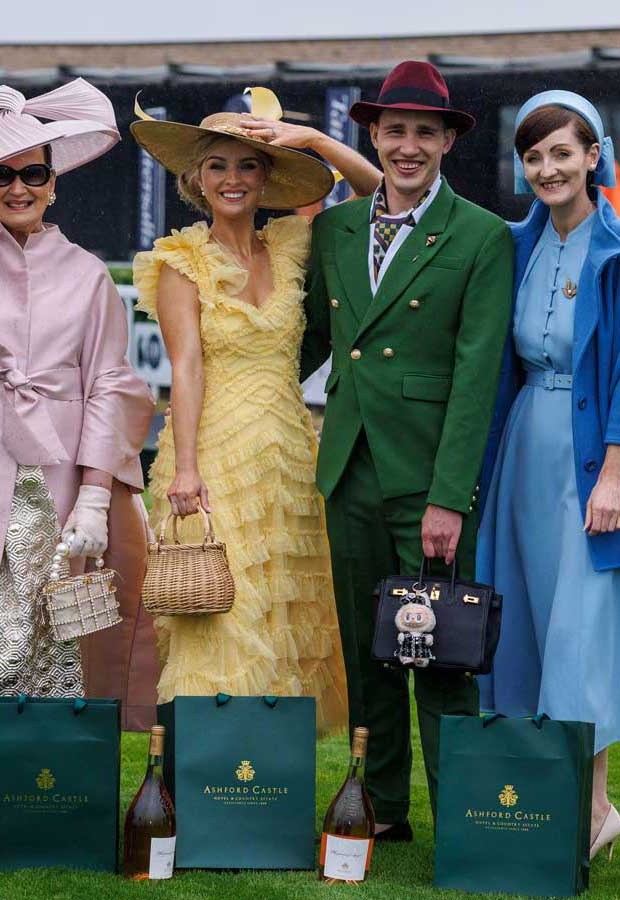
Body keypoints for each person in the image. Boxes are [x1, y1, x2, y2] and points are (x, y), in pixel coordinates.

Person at [257, 61, 514, 837]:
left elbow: (476, 377)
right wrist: (235, 381)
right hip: (348, 471)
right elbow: (311, 341)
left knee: (442, 654)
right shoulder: (336, 229)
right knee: (368, 652)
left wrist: (449, 498)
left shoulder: (482, 235)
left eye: (424, 133)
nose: (408, 146)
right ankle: (381, 809)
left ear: (446, 142)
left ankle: (466, 821)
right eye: (395, 131)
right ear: (373, 135)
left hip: (429, 477)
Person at [0, 81, 155, 800]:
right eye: (2, 174)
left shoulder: (89, 274)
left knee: (62, 621)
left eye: (33, 173)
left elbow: (111, 385)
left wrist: (97, 495)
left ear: (53, 181)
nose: (19, 187)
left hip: (63, 465)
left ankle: (54, 794)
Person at [129, 88, 380, 726]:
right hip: (213, 454)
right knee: (219, 609)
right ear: (196, 179)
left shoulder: (294, 245)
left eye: (247, 165)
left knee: (279, 609)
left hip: (290, 454)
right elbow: (186, 368)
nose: (232, 179)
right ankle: (205, 773)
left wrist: (315, 142)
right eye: (217, 165)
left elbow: (380, 198)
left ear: (268, 178)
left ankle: (264, 774)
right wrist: (186, 469)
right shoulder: (181, 261)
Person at [477, 91, 620, 859]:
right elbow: (405, 202)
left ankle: (595, 808)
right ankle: (537, 803)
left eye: (562, 153)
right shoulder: (513, 243)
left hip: (591, 461)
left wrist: (615, 477)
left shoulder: (616, 252)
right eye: (533, 157)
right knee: (526, 629)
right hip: (523, 451)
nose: (547, 169)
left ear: (594, 156)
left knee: (580, 635)